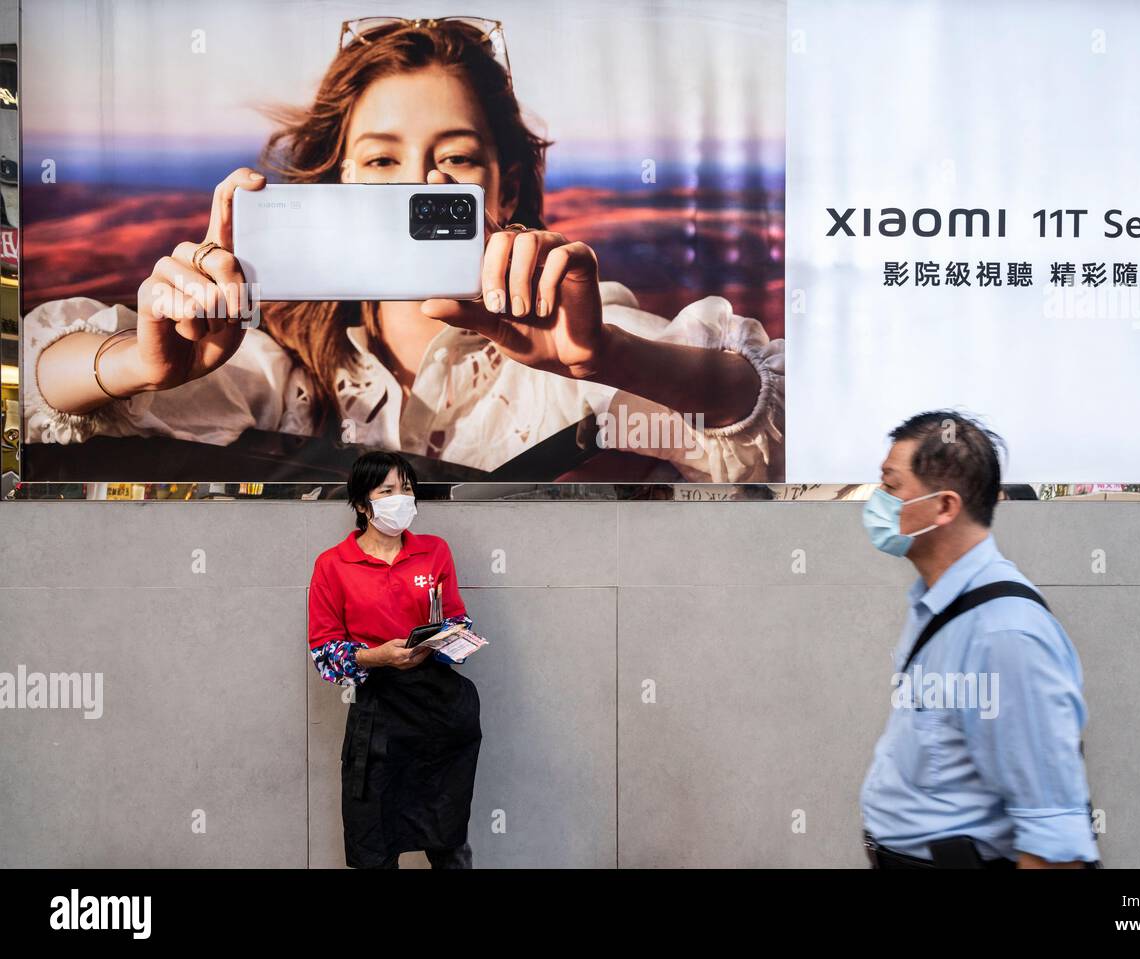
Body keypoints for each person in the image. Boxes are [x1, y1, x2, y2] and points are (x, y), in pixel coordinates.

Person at [23, 16, 783, 482]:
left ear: (505, 189)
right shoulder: (276, 361)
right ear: (340, 176)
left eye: (452, 159)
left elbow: (772, 417)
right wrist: (139, 363)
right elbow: (35, 386)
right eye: (382, 160)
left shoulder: (575, 340)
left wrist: (608, 360)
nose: (416, 184)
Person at [858, 411, 1100, 869]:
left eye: (891, 486)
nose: (877, 501)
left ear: (945, 507)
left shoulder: (1005, 634)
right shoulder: (938, 603)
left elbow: (1054, 841)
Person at [309, 449, 480, 869]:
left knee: (448, 837)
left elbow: (457, 618)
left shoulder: (434, 551)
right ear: (363, 503)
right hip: (378, 716)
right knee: (374, 839)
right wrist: (378, 656)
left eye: (406, 488)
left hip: (438, 710)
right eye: (388, 490)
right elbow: (324, 653)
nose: (401, 498)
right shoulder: (333, 565)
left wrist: (448, 641)